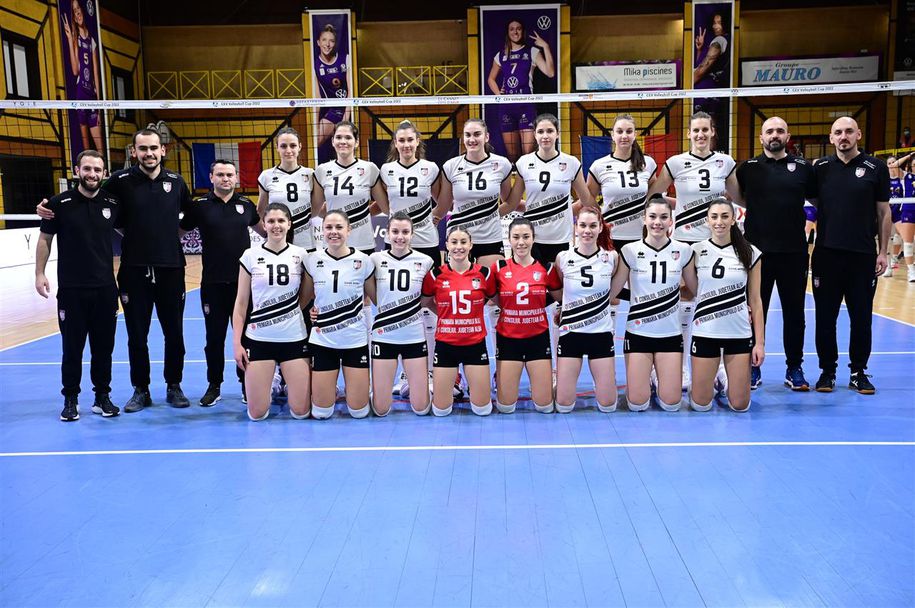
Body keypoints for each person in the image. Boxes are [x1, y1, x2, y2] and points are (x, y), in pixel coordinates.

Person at [37, 127, 194, 412]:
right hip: (133, 270)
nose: (148, 153)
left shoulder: (177, 181)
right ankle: (141, 389)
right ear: (134, 152)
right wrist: (48, 206)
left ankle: (174, 385)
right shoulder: (119, 181)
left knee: (174, 333)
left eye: (153, 148)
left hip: (171, 268)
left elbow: (190, 215)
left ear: (162, 150)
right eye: (142, 148)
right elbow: (90, 195)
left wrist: (170, 239)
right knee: (137, 335)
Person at [647, 111, 739, 390]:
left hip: (716, 242)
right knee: (684, 300)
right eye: (695, 130)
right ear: (688, 134)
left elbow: (737, 197)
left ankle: (719, 367)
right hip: (685, 243)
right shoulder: (675, 163)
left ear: (713, 132)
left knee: (717, 302)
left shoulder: (725, 162)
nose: (700, 134)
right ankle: (683, 368)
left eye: (705, 130)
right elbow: (654, 195)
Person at [35, 150, 120, 421]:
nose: (92, 174)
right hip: (72, 290)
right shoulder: (58, 203)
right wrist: (39, 273)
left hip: (105, 289)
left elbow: (132, 228)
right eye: (87, 169)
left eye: (97, 170)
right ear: (76, 171)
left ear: (104, 173)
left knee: (103, 348)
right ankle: (70, 399)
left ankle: (102, 396)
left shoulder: (112, 202)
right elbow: (45, 239)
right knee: (72, 348)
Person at [810, 116, 892, 394]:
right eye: (838, 132)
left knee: (861, 317)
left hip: (862, 255)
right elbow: (814, 201)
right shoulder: (820, 168)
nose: (843, 136)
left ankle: (858, 372)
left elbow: (884, 212)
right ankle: (827, 372)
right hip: (827, 255)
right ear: (831, 138)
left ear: (858, 134)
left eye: (848, 131)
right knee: (825, 317)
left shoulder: (876, 167)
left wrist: (883, 251)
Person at [736, 116, 817, 390]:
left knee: (795, 313)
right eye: (769, 131)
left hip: (794, 253)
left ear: (787, 136)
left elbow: (820, 200)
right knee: (753, 311)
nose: (775, 135)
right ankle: (752, 366)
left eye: (780, 131)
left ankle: (794, 367)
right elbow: (737, 196)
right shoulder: (748, 168)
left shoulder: (804, 168)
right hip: (756, 255)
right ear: (761, 137)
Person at [180, 159, 261, 406]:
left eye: (230, 175)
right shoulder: (200, 206)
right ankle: (214, 385)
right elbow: (178, 232)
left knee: (247, 337)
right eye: (221, 174)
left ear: (236, 178)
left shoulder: (246, 205)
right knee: (214, 338)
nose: (226, 179)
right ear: (211, 177)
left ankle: (246, 384)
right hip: (213, 283)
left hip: (243, 285)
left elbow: (267, 232)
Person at [682, 198, 765, 412]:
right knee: (700, 405)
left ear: (734, 219)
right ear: (707, 220)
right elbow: (690, 290)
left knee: (740, 406)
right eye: (714, 217)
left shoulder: (750, 252)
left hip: (738, 334)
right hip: (705, 332)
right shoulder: (694, 251)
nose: (719, 222)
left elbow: (756, 301)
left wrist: (759, 344)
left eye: (725, 216)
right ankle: (714, 379)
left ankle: (721, 378)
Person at [616, 197, 696, 412]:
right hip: (638, 334)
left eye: (663, 217)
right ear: (644, 219)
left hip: (670, 335)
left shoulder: (683, 251)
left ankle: (655, 374)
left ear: (671, 221)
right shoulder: (629, 251)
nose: (657, 222)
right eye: (652, 216)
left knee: (672, 404)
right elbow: (613, 291)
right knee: (637, 404)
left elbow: (696, 289)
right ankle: (647, 377)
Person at [232, 203, 311, 421]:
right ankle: (270, 378)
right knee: (257, 414)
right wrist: (237, 343)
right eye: (271, 221)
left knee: (301, 412)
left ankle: (282, 379)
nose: (276, 225)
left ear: (289, 224)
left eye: (281, 221)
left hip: (294, 338)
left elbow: (307, 294)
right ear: (264, 225)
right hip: (259, 339)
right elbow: (241, 303)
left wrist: (289, 313)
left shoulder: (301, 255)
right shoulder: (250, 255)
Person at [547, 206, 619, 413]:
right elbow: (561, 292)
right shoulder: (563, 257)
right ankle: (559, 377)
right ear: (575, 227)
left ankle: (605, 381)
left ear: (600, 228)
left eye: (593, 226)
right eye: (583, 225)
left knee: (608, 405)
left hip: (601, 334)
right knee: (563, 405)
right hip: (571, 334)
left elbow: (613, 292)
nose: (587, 231)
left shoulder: (611, 257)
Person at [304, 211, 376, 419]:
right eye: (329, 227)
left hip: (354, 340)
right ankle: (329, 388)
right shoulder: (312, 260)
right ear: (322, 230)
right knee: (321, 412)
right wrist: (311, 309)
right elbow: (304, 299)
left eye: (339, 227)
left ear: (349, 230)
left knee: (359, 412)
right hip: (323, 340)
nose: (333, 232)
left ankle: (358, 390)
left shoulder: (363, 261)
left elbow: (376, 299)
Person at [421, 227, 496, 416]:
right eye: (454, 242)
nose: (458, 247)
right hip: (446, 345)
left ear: (471, 245)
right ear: (446, 245)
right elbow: (425, 302)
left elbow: (496, 299)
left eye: (463, 242)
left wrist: (475, 310)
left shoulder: (484, 273)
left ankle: (472, 384)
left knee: (482, 410)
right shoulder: (435, 275)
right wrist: (444, 314)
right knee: (441, 411)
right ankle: (457, 381)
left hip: (475, 344)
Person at [369, 212, 435, 416]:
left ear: (412, 234)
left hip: (413, 337)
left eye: (405, 232)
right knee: (380, 409)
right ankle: (375, 391)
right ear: (387, 234)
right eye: (395, 232)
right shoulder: (374, 259)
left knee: (421, 408)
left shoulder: (426, 261)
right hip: (384, 336)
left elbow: (431, 298)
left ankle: (413, 383)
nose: (400, 237)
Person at [491, 218, 555, 414]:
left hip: (538, 338)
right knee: (505, 407)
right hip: (509, 339)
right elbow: (492, 296)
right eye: (516, 237)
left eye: (526, 237)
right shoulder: (498, 268)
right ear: (509, 239)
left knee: (545, 406)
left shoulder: (546, 268)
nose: (521, 242)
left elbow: (560, 295)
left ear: (533, 239)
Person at [512, 113, 591, 267]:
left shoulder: (571, 162)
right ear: (534, 135)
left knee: (558, 281)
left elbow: (585, 200)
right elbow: (513, 202)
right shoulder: (524, 162)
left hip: (561, 238)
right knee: (534, 281)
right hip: (532, 238)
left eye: (550, 131)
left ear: (557, 134)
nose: (545, 136)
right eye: (540, 132)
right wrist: (537, 208)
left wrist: (565, 210)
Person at [313, 120, 387, 256]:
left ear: (356, 142)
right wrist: (335, 216)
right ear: (332, 141)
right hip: (333, 243)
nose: (343, 141)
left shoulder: (369, 168)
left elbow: (384, 206)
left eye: (348, 137)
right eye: (338, 137)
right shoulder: (322, 170)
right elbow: (316, 210)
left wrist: (362, 214)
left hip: (363, 243)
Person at [486, 19, 555, 162]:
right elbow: (491, 79)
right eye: (512, 29)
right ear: (508, 32)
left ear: (522, 31)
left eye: (518, 28)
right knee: (512, 154)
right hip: (506, 106)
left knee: (528, 153)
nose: (515, 31)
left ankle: (528, 176)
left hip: (526, 104)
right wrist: (498, 94)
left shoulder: (532, 52)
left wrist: (546, 46)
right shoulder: (500, 55)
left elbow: (550, 73)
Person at [380, 120, 442, 266]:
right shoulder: (386, 170)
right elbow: (384, 202)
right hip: (396, 240)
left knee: (430, 280)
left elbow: (440, 200)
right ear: (395, 143)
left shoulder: (431, 168)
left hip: (425, 239)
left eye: (410, 140)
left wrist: (436, 215)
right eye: (401, 140)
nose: (406, 145)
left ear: (417, 141)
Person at [258, 127, 316, 252]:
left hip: (305, 242)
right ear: (277, 147)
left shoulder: (310, 174)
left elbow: (316, 208)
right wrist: (269, 232)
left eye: (293, 145)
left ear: (300, 146)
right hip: (277, 243)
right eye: (283, 146)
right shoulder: (266, 176)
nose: (288, 150)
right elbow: (261, 210)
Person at [62, 0, 103, 153]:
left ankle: (104, 168)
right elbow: (75, 71)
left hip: (92, 96)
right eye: (74, 11)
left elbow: (96, 74)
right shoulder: (75, 38)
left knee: (100, 150)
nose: (77, 12)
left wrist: (100, 105)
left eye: (78, 8)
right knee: (86, 151)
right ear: (73, 17)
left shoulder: (92, 41)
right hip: (81, 95)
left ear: (83, 11)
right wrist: (69, 39)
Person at [314, 24, 351, 152]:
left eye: (331, 41)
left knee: (347, 145)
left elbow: (351, 93)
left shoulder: (345, 59)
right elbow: (317, 99)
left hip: (347, 108)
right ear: (318, 42)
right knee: (316, 140)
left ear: (335, 44)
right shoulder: (315, 65)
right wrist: (315, 125)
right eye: (324, 40)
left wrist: (345, 120)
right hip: (332, 110)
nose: (327, 44)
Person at [886, 153, 915, 282]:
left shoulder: (901, 178)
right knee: (890, 239)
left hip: (899, 211)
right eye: (914, 165)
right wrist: (909, 155)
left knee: (900, 237)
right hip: (892, 211)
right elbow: (894, 165)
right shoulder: (904, 176)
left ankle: (894, 259)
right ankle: (891, 266)